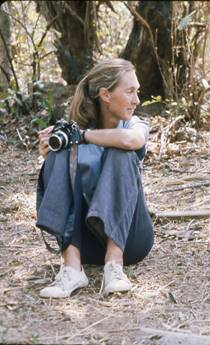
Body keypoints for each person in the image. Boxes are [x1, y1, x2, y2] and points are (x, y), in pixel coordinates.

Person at [36, 58, 154, 298]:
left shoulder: (134, 124)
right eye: (130, 91)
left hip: (131, 239)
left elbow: (130, 141)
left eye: (137, 92)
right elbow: (59, 164)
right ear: (105, 94)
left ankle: (114, 264)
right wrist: (49, 149)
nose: (136, 100)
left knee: (121, 152)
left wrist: (83, 136)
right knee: (59, 154)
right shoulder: (73, 134)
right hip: (87, 242)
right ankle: (71, 267)